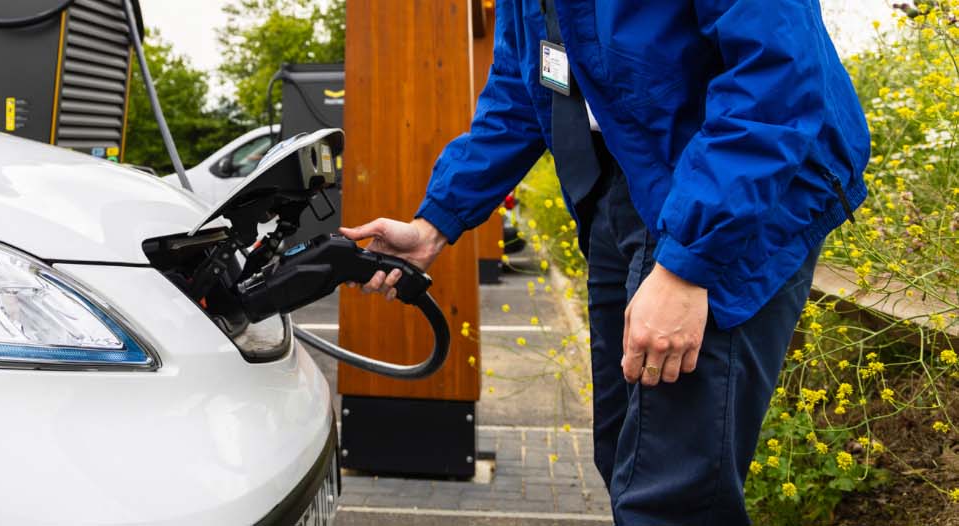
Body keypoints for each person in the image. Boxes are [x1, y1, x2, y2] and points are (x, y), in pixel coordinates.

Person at [342, 0, 869, 524]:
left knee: (668, 492)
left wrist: (687, 266)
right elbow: (520, 92)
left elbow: (773, 74)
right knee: (622, 454)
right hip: (622, 184)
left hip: (735, 190)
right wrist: (434, 223)